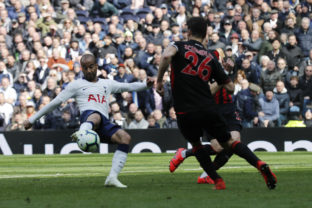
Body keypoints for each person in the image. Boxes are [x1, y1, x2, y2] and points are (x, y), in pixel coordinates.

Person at [156, 17, 276, 190]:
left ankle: (218, 180)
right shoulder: (210, 57)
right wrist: (222, 75)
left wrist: (159, 81)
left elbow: (166, 55)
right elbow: (229, 87)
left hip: (185, 110)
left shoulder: (178, 45)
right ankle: (259, 163)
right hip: (209, 108)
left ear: (188, 32)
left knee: (197, 145)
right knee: (230, 143)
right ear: (206, 35)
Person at [24, 53, 154, 188]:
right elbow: (55, 103)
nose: (88, 70)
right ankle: (82, 132)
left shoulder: (106, 83)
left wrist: (146, 84)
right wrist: (32, 119)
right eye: (85, 68)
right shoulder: (76, 85)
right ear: (81, 69)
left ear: (96, 66)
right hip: (88, 118)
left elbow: (129, 87)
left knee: (125, 138)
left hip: (104, 123)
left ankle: (112, 177)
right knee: (95, 115)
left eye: (91, 67)